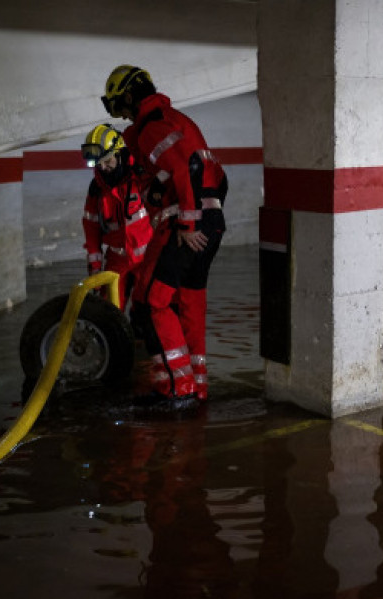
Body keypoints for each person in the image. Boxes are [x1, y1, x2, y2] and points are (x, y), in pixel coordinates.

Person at [101, 65, 228, 403]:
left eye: (119, 105)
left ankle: (175, 388)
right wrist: (206, 218)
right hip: (211, 223)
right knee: (190, 302)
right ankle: (196, 385)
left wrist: (188, 224)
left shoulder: (151, 128)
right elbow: (216, 176)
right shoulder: (178, 121)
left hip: (184, 227)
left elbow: (187, 168)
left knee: (149, 303)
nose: (122, 114)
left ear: (129, 97)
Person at [80, 123, 153, 310]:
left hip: (148, 259)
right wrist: (95, 268)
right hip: (116, 261)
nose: (103, 167)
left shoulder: (141, 177)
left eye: (107, 161)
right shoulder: (97, 189)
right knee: (109, 312)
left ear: (119, 154)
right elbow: (91, 230)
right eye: (98, 164)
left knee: (149, 312)